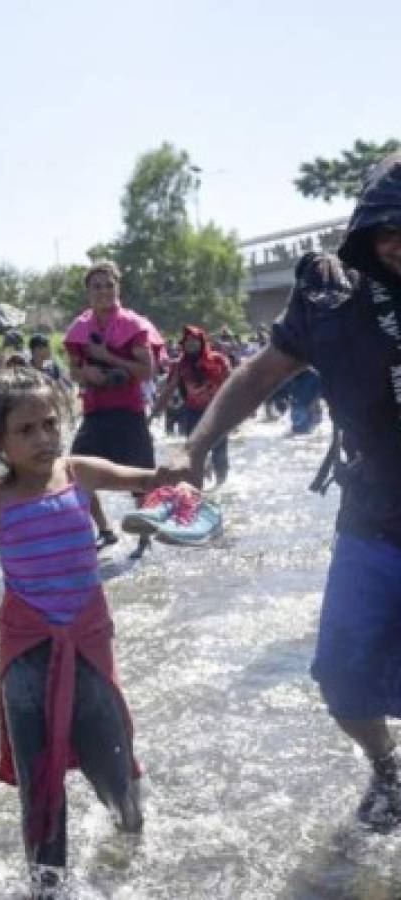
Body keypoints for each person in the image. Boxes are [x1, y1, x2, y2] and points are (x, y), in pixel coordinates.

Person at [169, 152, 401, 833]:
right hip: (373, 521)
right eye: (389, 230)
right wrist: (196, 445)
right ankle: (386, 766)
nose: (400, 244)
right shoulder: (331, 298)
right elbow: (258, 374)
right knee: (340, 679)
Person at [0, 369, 166, 896]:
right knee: (39, 780)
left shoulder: (80, 473)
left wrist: (175, 475)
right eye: (26, 430)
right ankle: (48, 884)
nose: (44, 437)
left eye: (50, 423)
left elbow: (143, 479)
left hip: (87, 647)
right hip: (26, 656)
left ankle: (130, 850)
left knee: (114, 765)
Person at [64, 260, 163, 554]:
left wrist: (107, 356)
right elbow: (73, 371)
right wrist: (86, 374)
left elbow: (147, 371)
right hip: (95, 412)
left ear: (118, 287)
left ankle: (145, 537)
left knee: (142, 477)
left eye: (109, 285)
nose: (104, 291)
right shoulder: (79, 327)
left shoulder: (132, 324)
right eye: (97, 286)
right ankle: (105, 530)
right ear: (88, 292)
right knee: (74, 474)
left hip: (129, 412)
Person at [151, 326, 231, 484]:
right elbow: (168, 390)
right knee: (194, 453)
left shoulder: (218, 360)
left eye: (195, 342)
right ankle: (199, 484)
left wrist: (237, 409)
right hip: (193, 413)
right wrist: (154, 413)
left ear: (202, 343)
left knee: (220, 451)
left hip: (218, 413)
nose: (191, 345)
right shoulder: (179, 365)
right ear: (183, 344)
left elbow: (232, 383)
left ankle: (222, 484)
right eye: (188, 342)